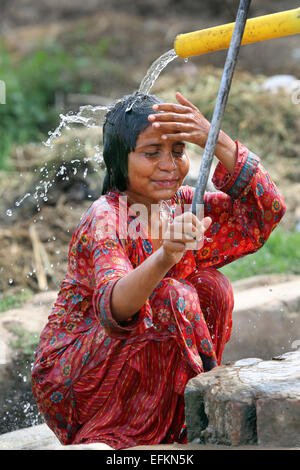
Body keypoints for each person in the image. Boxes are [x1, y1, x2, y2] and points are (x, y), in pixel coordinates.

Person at [31, 91, 286, 449]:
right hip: (73, 381)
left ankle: (178, 421)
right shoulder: (107, 217)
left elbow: (265, 212)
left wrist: (215, 139)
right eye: (152, 153)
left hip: (122, 363)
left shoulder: (180, 204)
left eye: (179, 151)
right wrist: (165, 255)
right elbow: (113, 309)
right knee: (172, 294)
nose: (170, 165)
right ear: (121, 159)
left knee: (213, 286)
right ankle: (144, 427)